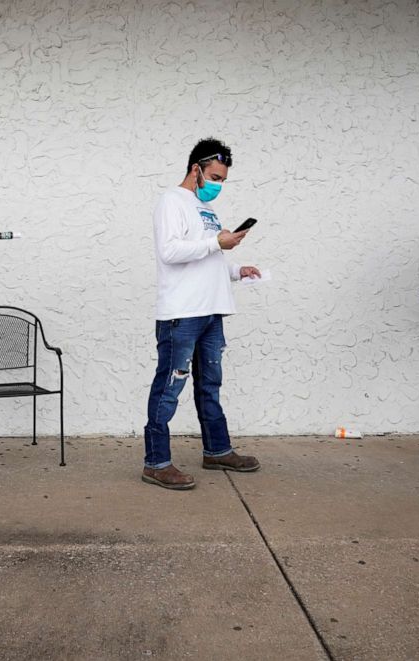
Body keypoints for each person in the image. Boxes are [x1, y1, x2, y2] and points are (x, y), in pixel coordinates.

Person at [141, 138, 262, 490]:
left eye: (222, 179)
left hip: (212, 311)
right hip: (182, 313)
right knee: (169, 386)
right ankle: (156, 462)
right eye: (213, 176)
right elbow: (170, 251)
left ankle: (217, 450)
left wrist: (237, 269)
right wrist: (216, 243)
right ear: (195, 169)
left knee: (210, 385)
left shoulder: (204, 209)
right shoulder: (171, 201)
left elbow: (208, 257)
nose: (217, 184)